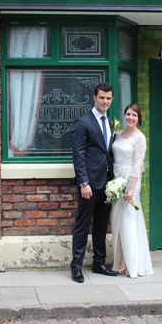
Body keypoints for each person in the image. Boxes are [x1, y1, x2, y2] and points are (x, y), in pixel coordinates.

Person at [70, 82, 119, 283]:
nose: (105, 101)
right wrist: (83, 183)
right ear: (94, 98)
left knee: (101, 226)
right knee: (82, 225)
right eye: (102, 98)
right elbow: (78, 154)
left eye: (108, 98)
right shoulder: (83, 122)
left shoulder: (109, 122)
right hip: (89, 184)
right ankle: (76, 267)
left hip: (107, 183)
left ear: (111, 99)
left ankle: (99, 264)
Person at [110, 103, 154, 278]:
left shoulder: (140, 138)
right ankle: (121, 260)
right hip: (115, 180)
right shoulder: (118, 134)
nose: (130, 117)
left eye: (134, 115)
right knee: (117, 221)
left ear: (139, 118)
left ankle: (131, 263)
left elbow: (137, 165)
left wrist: (132, 189)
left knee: (129, 222)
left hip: (130, 181)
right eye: (128, 114)